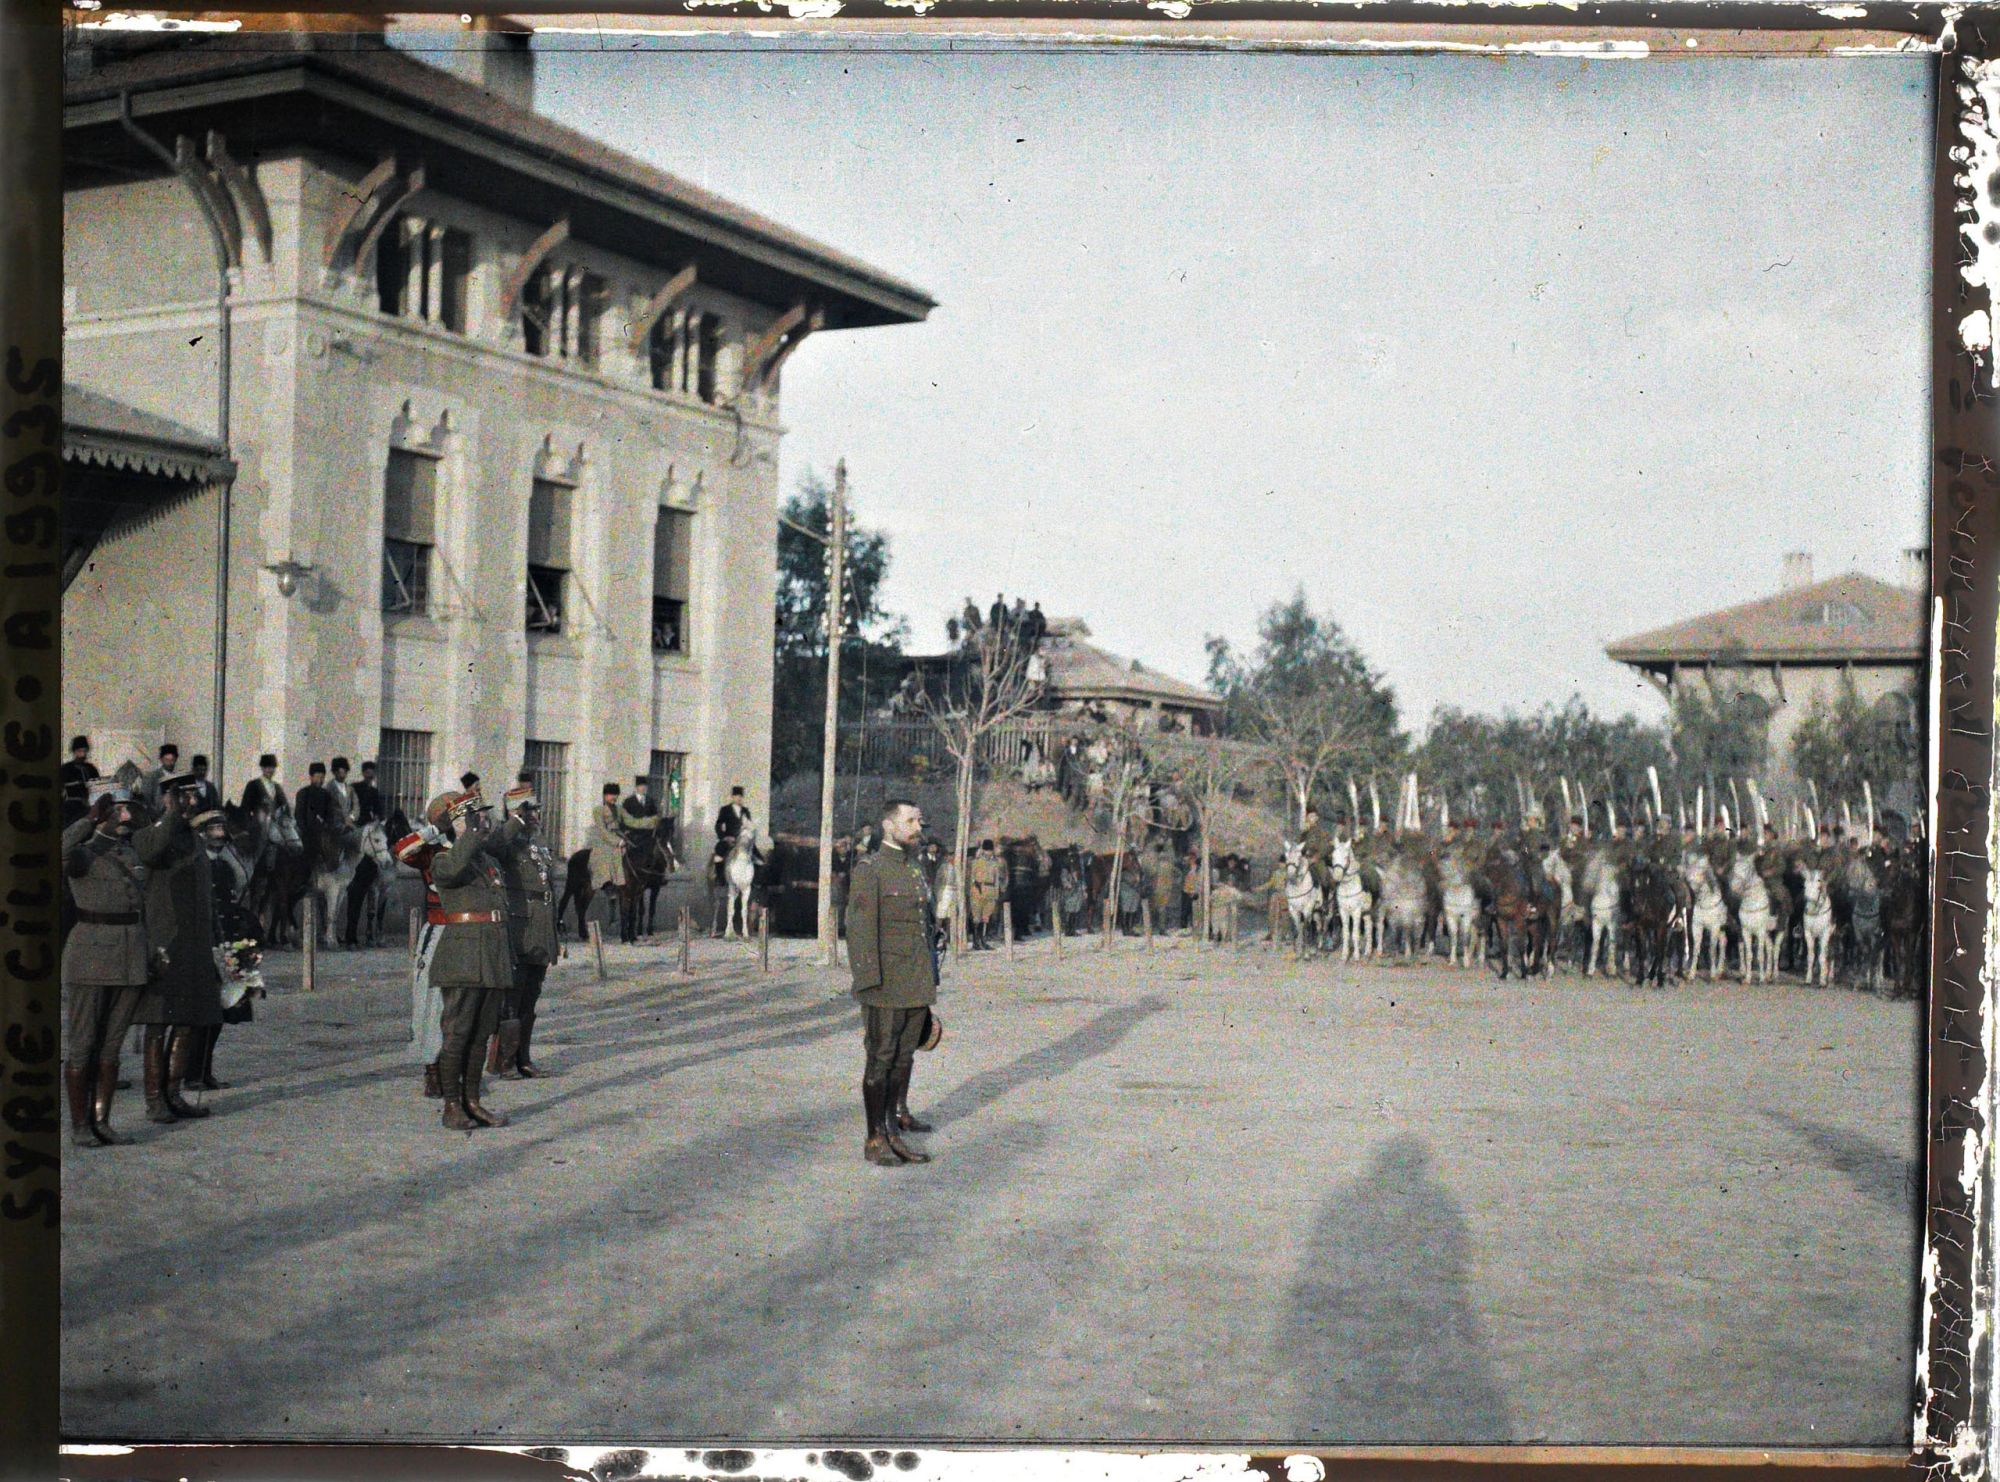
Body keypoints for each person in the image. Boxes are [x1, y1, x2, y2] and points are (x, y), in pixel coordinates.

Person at [844, 799, 940, 1167]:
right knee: (880, 1060)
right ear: (888, 825)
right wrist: (870, 984)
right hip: (885, 985)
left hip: (914, 982)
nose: (918, 826)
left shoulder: (913, 869)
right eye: (910, 820)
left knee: (903, 1058)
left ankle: (892, 1132)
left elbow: (922, 929)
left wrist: (928, 979)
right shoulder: (871, 869)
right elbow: (860, 933)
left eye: (919, 819)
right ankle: (874, 1138)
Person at [61, 781, 150, 1146]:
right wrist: (87, 820)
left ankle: (102, 1120)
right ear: (103, 813)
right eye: (119, 810)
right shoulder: (83, 854)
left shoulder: (129, 853)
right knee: (83, 1045)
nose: (127, 816)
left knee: (112, 1046)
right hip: (91, 958)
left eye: (128, 809)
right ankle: (81, 1126)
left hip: (130, 957)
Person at [132, 773, 225, 1124]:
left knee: (186, 1023)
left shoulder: (194, 840)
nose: (191, 802)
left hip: (194, 946)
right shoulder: (153, 834)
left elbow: (206, 897)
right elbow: (151, 850)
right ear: (168, 799)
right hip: (165, 946)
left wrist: (215, 943)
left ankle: (173, 1093)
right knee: (157, 1024)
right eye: (182, 796)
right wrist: (170, 814)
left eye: (192, 796)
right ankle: (155, 1099)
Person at [428, 790, 516, 1130]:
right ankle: (452, 1105)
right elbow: (451, 872)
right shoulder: (444, 858)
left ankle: (473, 1101)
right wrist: (470, 836)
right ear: (458, 824)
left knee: (481, 1035)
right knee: (458, 1033)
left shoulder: (486, 861)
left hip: (492, 956)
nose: (483, 820)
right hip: (463, 958)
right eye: (475, 816)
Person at [491, 784, 560, 1079]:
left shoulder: (537, 842)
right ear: (515, 812)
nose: (536, 815)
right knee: (514, 994)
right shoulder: (507, 840)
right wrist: (514, 820)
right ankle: (503, 1061)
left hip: (540, 924)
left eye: (535, 810)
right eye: (529, 810)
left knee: (531, 995)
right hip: (519, 924)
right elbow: (493, 847)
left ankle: (524, 1058)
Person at [397, 796, 455, 1099]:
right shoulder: (430, 849)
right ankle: (431, 1069)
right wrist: (434, 829)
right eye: (453, 815)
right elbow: (402, 850)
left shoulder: (471, 846)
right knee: (431, 1003)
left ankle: (454, 1070)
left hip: (468, 934)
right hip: (439, 933)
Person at [968, 839, 1005, 950]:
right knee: (977, 918)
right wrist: (974, 890)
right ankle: (976, 941)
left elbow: (997, 878)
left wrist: (997, 892)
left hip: (991, 890)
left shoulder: (995, 863)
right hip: (979, 890)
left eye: (990, 850)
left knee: (987, 917)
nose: (989, 852)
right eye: (987, 850)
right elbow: (972, 878)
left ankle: (983, 940)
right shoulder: (976, 862)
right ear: (983, 850)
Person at [61, 735, 100, 827]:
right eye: (80, 751)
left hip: (91, 805)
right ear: (74, 752)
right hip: (72, 806)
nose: (82, 754)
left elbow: (97, 785)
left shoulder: (91, 768)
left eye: (84, 751)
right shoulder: (66, 769)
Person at [137, 743, 180, 813]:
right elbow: (145, 802)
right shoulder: (151, 777)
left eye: (172, 760)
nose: (170, 763)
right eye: (167, 760)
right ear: (161, 760)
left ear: (176, 760)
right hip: (156, 817)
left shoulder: (178, 777)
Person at [352, 760, 386, 826]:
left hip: (367, 822)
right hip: (356, 821)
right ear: (363, 773)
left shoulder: (374, 791)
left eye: (371, 774)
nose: (370, 777)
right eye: (368, 773)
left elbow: (378, 809)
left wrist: (377, 819)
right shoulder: (355, 788)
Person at [328, 756, 357, 823]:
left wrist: (351, 817)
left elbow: (356, 807)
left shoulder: (350, 789)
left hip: (349, 825)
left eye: (345, 770)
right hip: (334, 827)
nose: (343, 772)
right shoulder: (328, 789)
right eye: (340, 770)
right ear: (334, 772)